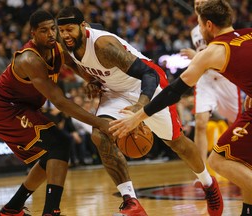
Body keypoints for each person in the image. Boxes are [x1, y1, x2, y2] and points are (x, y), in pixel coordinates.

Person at [57, 6, 222, 216]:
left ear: (83, 26)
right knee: (100, 134)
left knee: (176, 142)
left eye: (69, 29)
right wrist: (90, 79)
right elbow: (72, 61)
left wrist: (140, 108)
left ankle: (209, 184)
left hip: (145, 85)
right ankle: (130, 201)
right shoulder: (66, 44)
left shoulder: (104, 46)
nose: (65, 35)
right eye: (61, 31)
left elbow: (149, 75)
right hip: (114, 91)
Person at [109, 1, 252, 215]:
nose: (200, 29)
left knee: (219, 160)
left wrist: (138, 116)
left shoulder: (213, 51)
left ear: (209, 25)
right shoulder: (249, 33)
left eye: (200, 25)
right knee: (242, 162)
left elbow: (173, 91)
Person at [0, 10, 110, 216]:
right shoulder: (30, 59)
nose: (51, 34)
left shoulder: (57, 48)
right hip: (2, 108)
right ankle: (51, 211)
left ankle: (12, 209)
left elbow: (72, 64)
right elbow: (59, 101)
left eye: (53, 29)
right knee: (59, 144)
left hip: (23, 106)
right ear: (33, 33)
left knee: (55, 149)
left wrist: (90, 79)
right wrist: (101, 123)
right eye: (44, 31)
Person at [180, 0, 242, 166]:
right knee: (200, 123)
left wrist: (196, 55)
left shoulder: (220, 25)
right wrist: (198, 57)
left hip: (225, 78)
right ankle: (202, 172)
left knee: (236, 124)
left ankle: (239, 160)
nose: (198, 4)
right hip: (205, 80)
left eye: (202, 1)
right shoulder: (195, 31)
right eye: (196, 3)